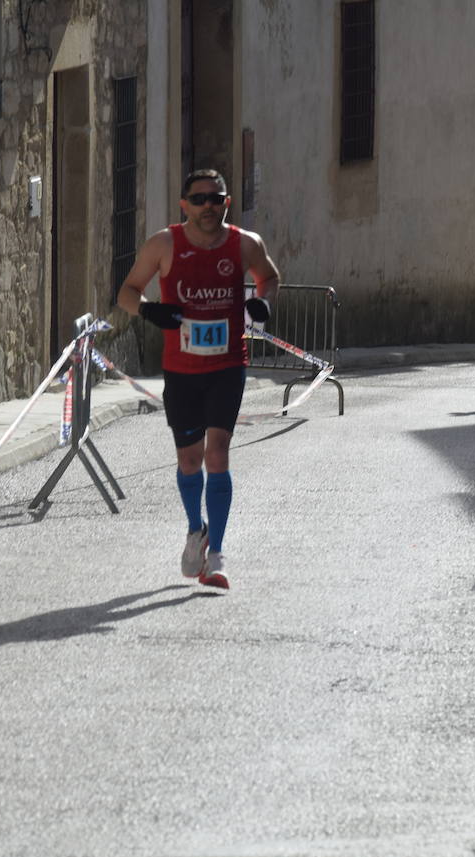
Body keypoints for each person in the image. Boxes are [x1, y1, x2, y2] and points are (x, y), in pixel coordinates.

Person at [116, 169, 280, 590]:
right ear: (184, 204)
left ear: (227, 202)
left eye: (215, 198)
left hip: (227, 365)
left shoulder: (244, 244)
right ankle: (196, 529)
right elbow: (127, 292)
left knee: (218, 454)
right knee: (189, 462)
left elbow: (269, 277)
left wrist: (262, 303)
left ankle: (217, 555)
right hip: (182, 370)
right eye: (199, 199)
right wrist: (149, 310)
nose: (208, 206)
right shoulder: (164, 244)